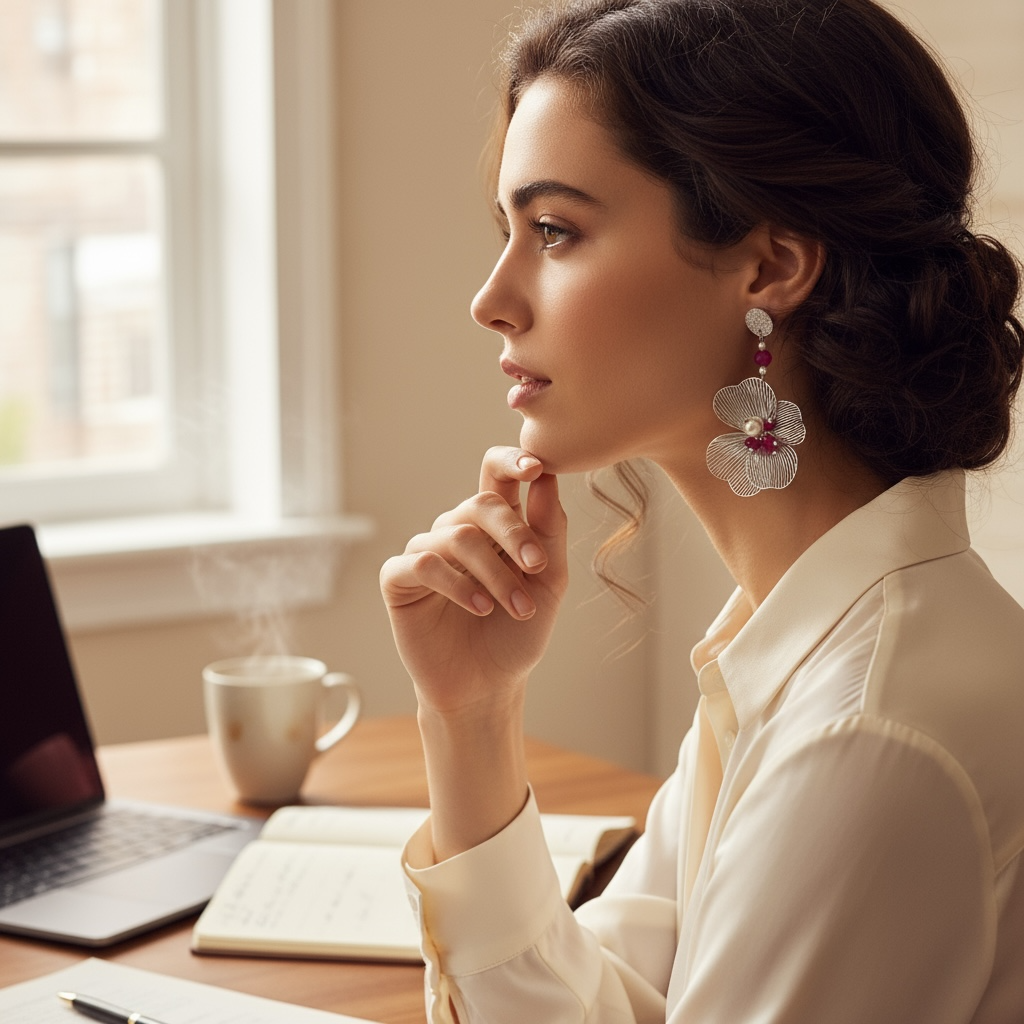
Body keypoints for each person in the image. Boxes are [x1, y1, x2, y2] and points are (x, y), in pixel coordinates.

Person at [379, 0, 1024, 1019]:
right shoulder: (790, 651)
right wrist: (470, 718)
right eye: (507, 230)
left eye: (553, 230)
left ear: (770, 266)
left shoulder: (865, 732)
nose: (491, 297)